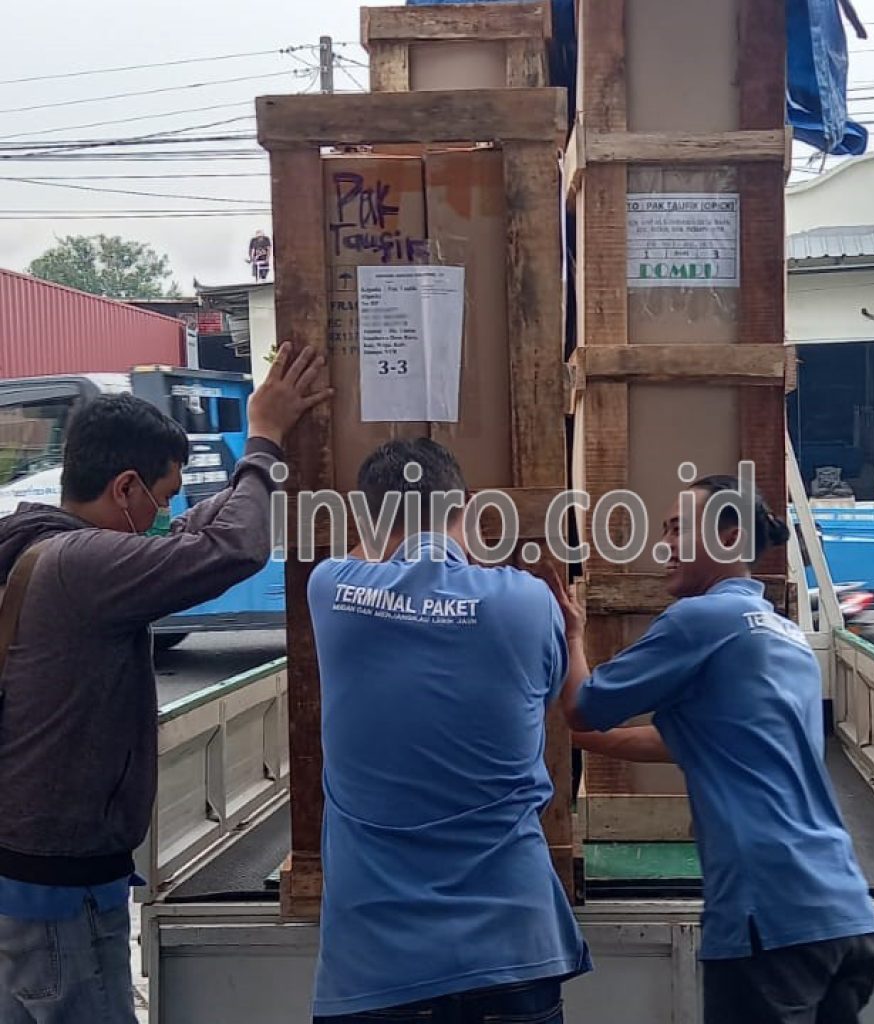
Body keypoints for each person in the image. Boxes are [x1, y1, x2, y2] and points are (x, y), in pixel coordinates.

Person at [0, 342, 330, 1023]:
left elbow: (178, 539)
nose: (161, 515)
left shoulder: (37, 543)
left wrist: (201, 508)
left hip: (27, 877)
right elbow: (231, 549)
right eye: (160, 496)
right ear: (124, 487)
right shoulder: (79, 566)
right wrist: (263, 440)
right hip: (60, 891)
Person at [543, 474, 874, 1024]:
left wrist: (573, 636)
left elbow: (583, 707)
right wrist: (586, 738)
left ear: (728, 536)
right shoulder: (783, 633)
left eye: (679, 529)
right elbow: (702, 741)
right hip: (845, 915)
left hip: (767, 919)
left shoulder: (700, 620)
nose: (666, 545)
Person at [306, 437, 591, 1023]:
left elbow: (373, 553)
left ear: (367, 516)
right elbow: (576, 705)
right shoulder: (529, 603)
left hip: (377, 964)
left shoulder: (332, 590)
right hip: (513, 947)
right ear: (469, 507)